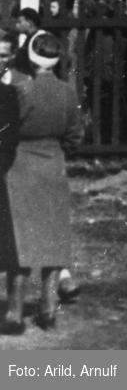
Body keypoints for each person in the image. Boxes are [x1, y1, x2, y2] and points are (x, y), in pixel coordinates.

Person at [0, 31, 84, 333]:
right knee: (53, 240)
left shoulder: (19, 91)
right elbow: (75, 136)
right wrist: (59, 151)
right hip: (54, 167)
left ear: (31, 56)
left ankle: (13, 313)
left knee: (19, 243)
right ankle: (48, 310)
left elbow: (5, 130)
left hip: (20, 168)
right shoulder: (67, 93)